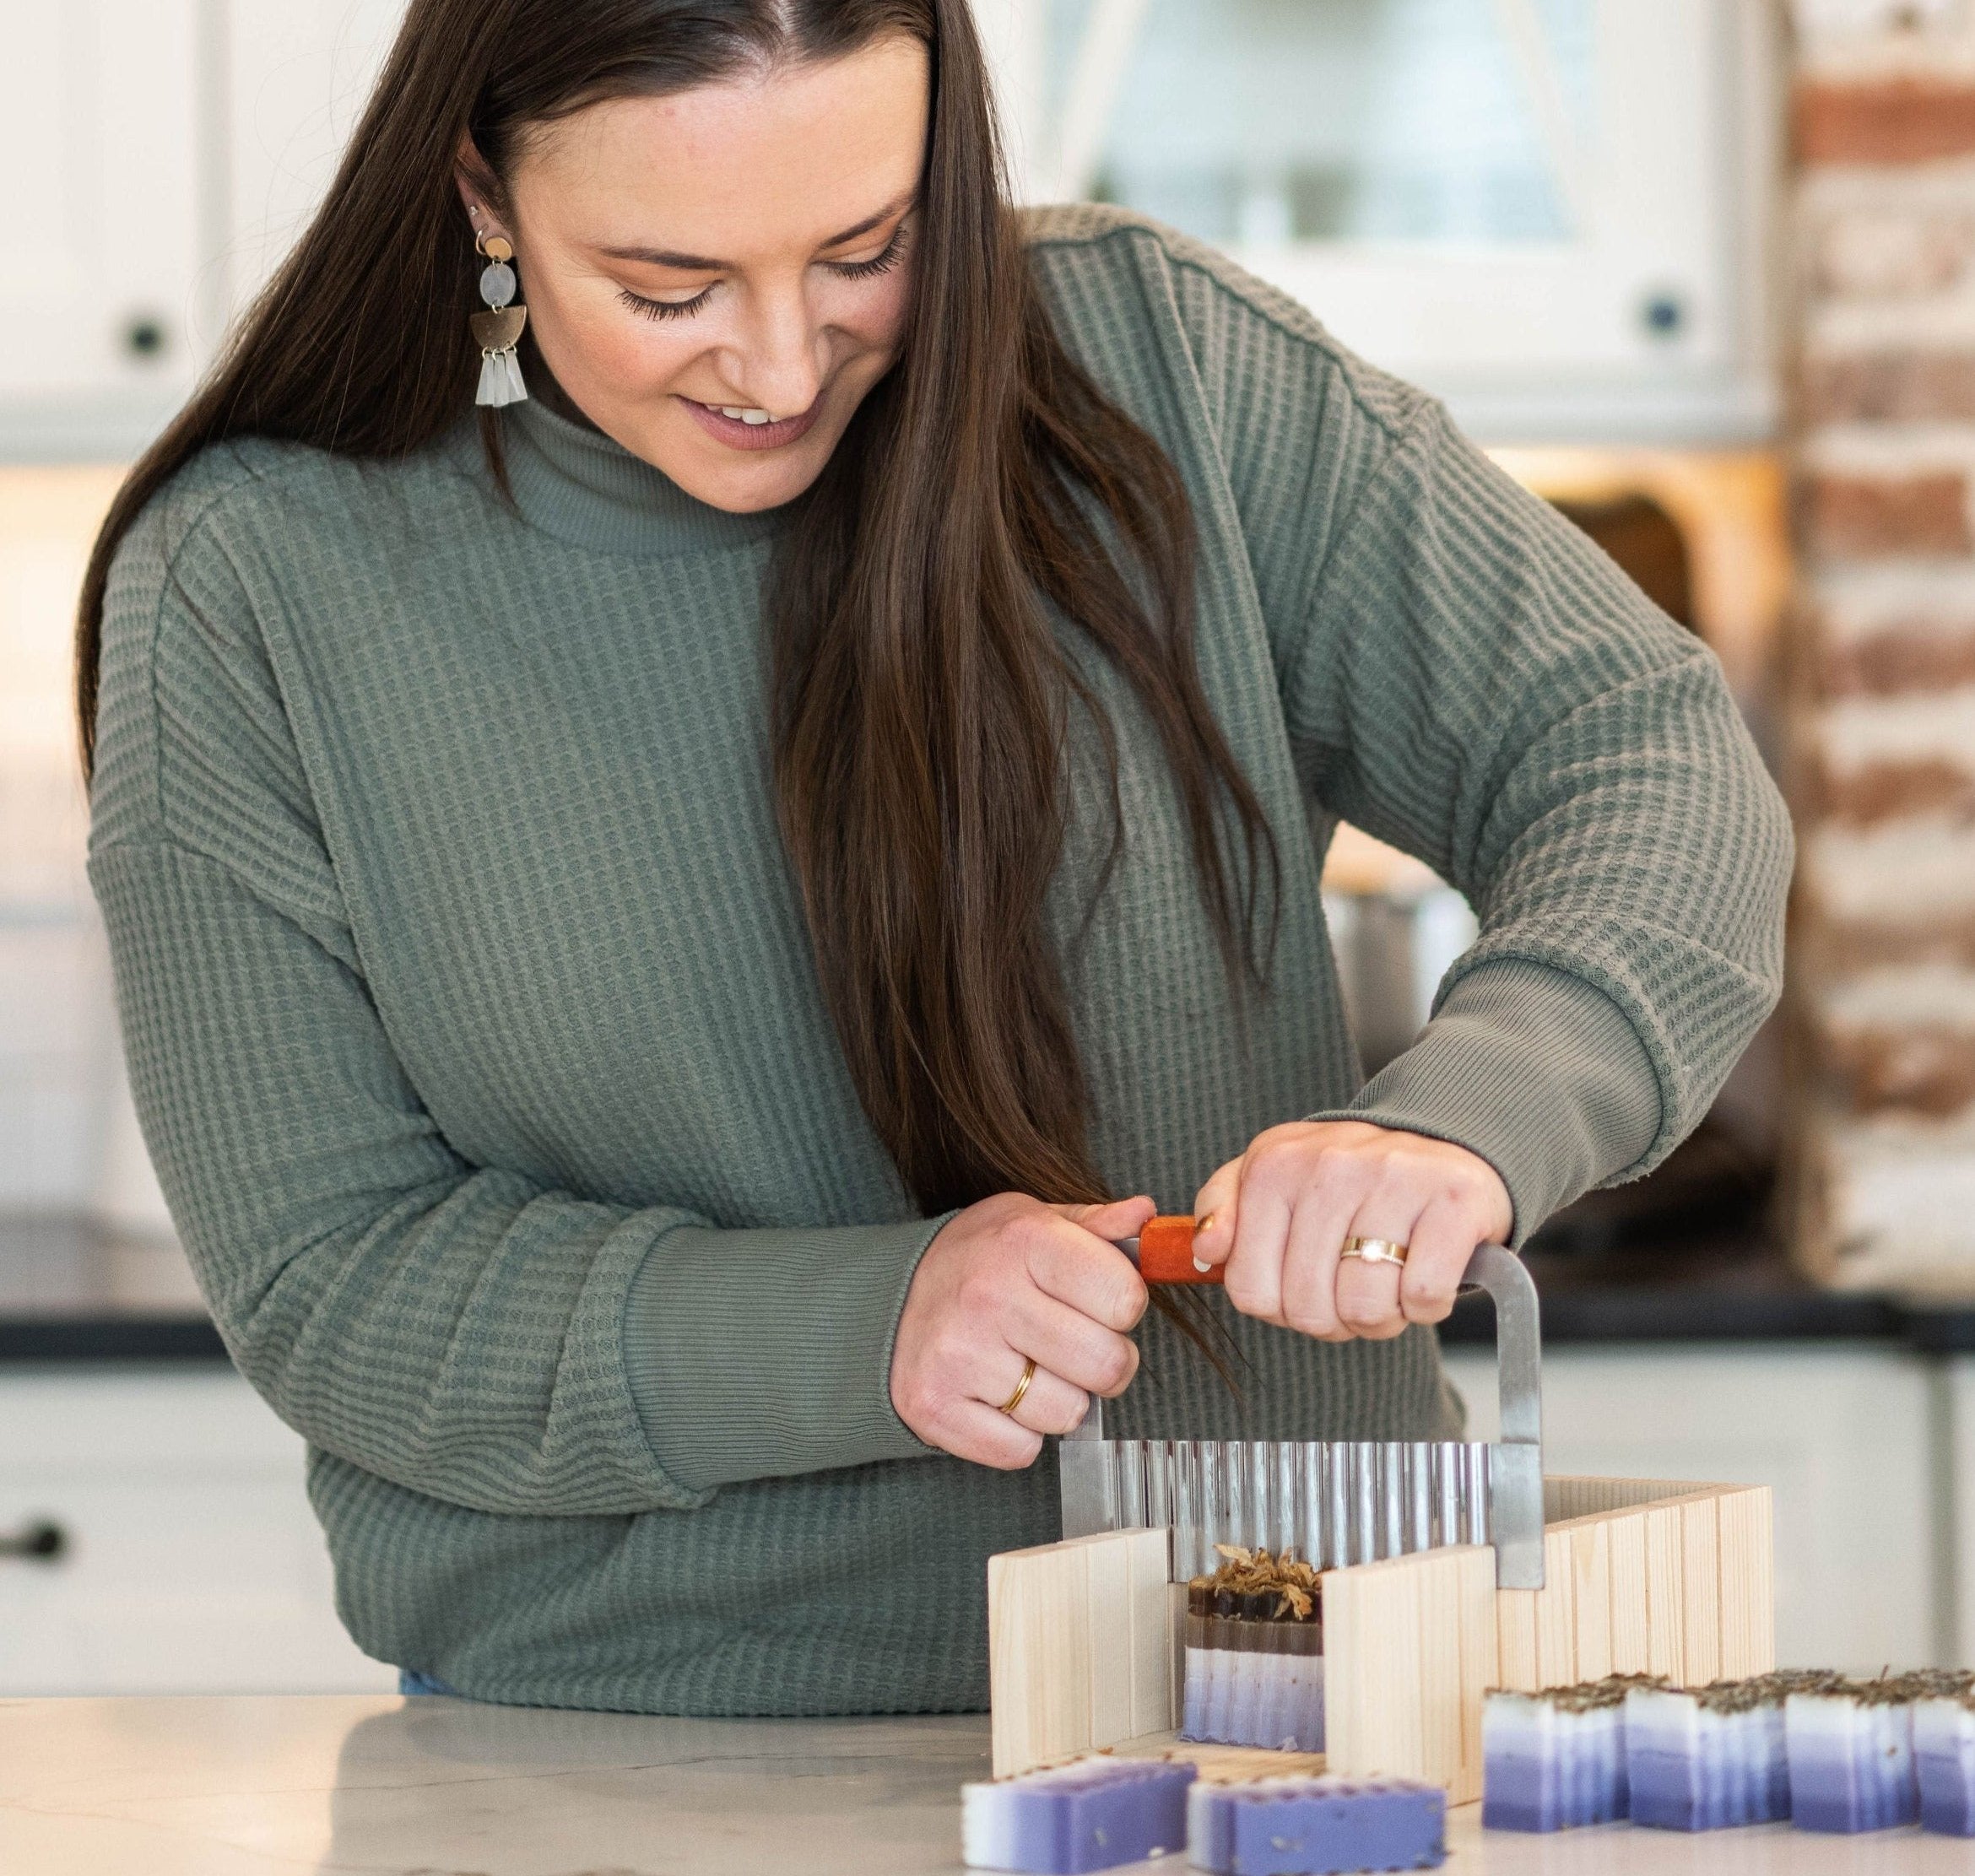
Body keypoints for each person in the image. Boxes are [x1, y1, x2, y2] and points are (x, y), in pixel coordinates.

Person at [76, 0, 1791, 1714]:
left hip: (1290, 1701)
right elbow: (333, 1283)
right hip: (639, 1765)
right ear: (480, 194)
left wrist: (1477, 1111)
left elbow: (1636, 751)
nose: (779, 366)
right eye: (668, 290)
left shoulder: (1165, 369)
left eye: (864, 252)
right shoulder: (255, 584)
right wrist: (868, 1329)